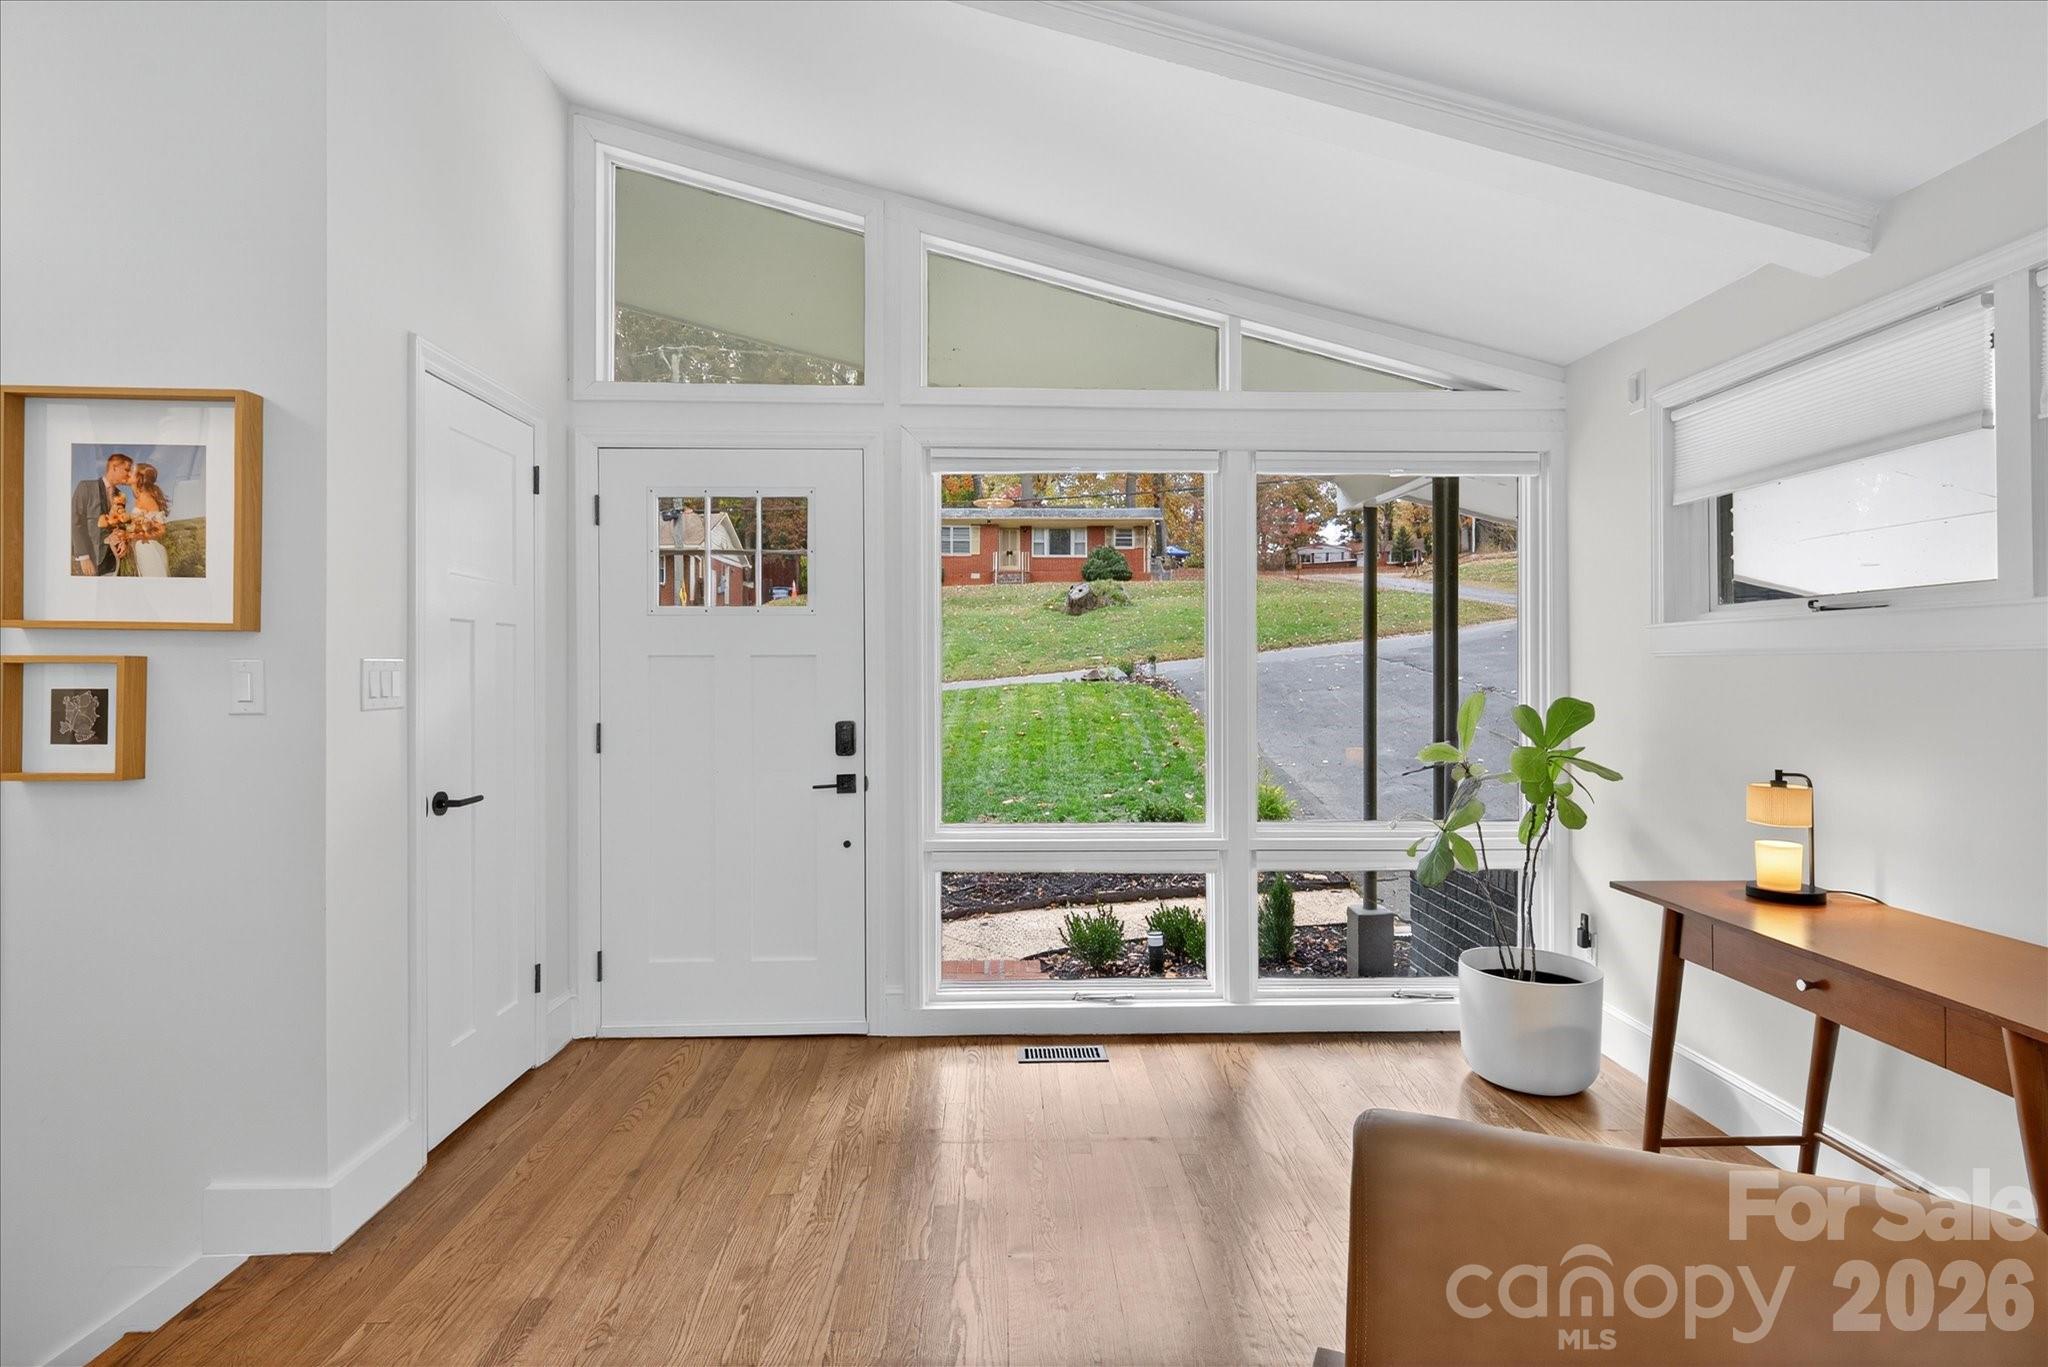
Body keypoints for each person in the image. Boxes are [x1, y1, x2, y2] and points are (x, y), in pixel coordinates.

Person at [71, 451, 132, 576]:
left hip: (112, 562)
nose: (129, 474)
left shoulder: (121, 496)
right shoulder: (85, 487)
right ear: (115, 467)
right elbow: (76, 522)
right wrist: (84, 557)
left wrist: (122, 541)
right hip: (89, 561)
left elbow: (119, 526)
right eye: (127, 469)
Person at [128, 463, 170, 577]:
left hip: (150, 551)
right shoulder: (140, 497)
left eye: (131, 471)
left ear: (138, 478)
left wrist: (138, 535)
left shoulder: (146, 497)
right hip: (142, 550)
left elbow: (161, 529)